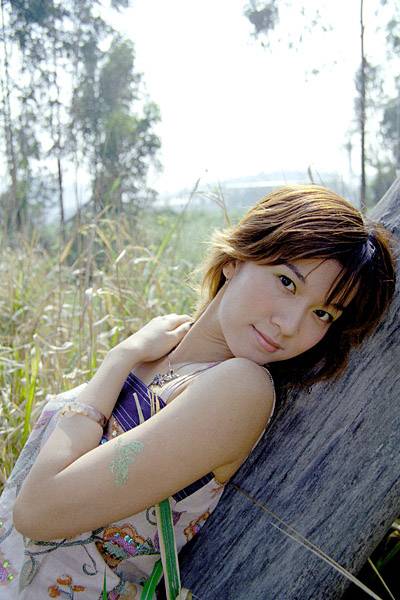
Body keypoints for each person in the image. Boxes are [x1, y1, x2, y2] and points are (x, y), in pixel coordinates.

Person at [0, 185, 396, 599]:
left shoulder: (239, 388)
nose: (290, 324)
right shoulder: (161, 350)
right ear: (237, 259)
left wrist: (118, 359)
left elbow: (37, 511)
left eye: (322, 313)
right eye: (287, 282)